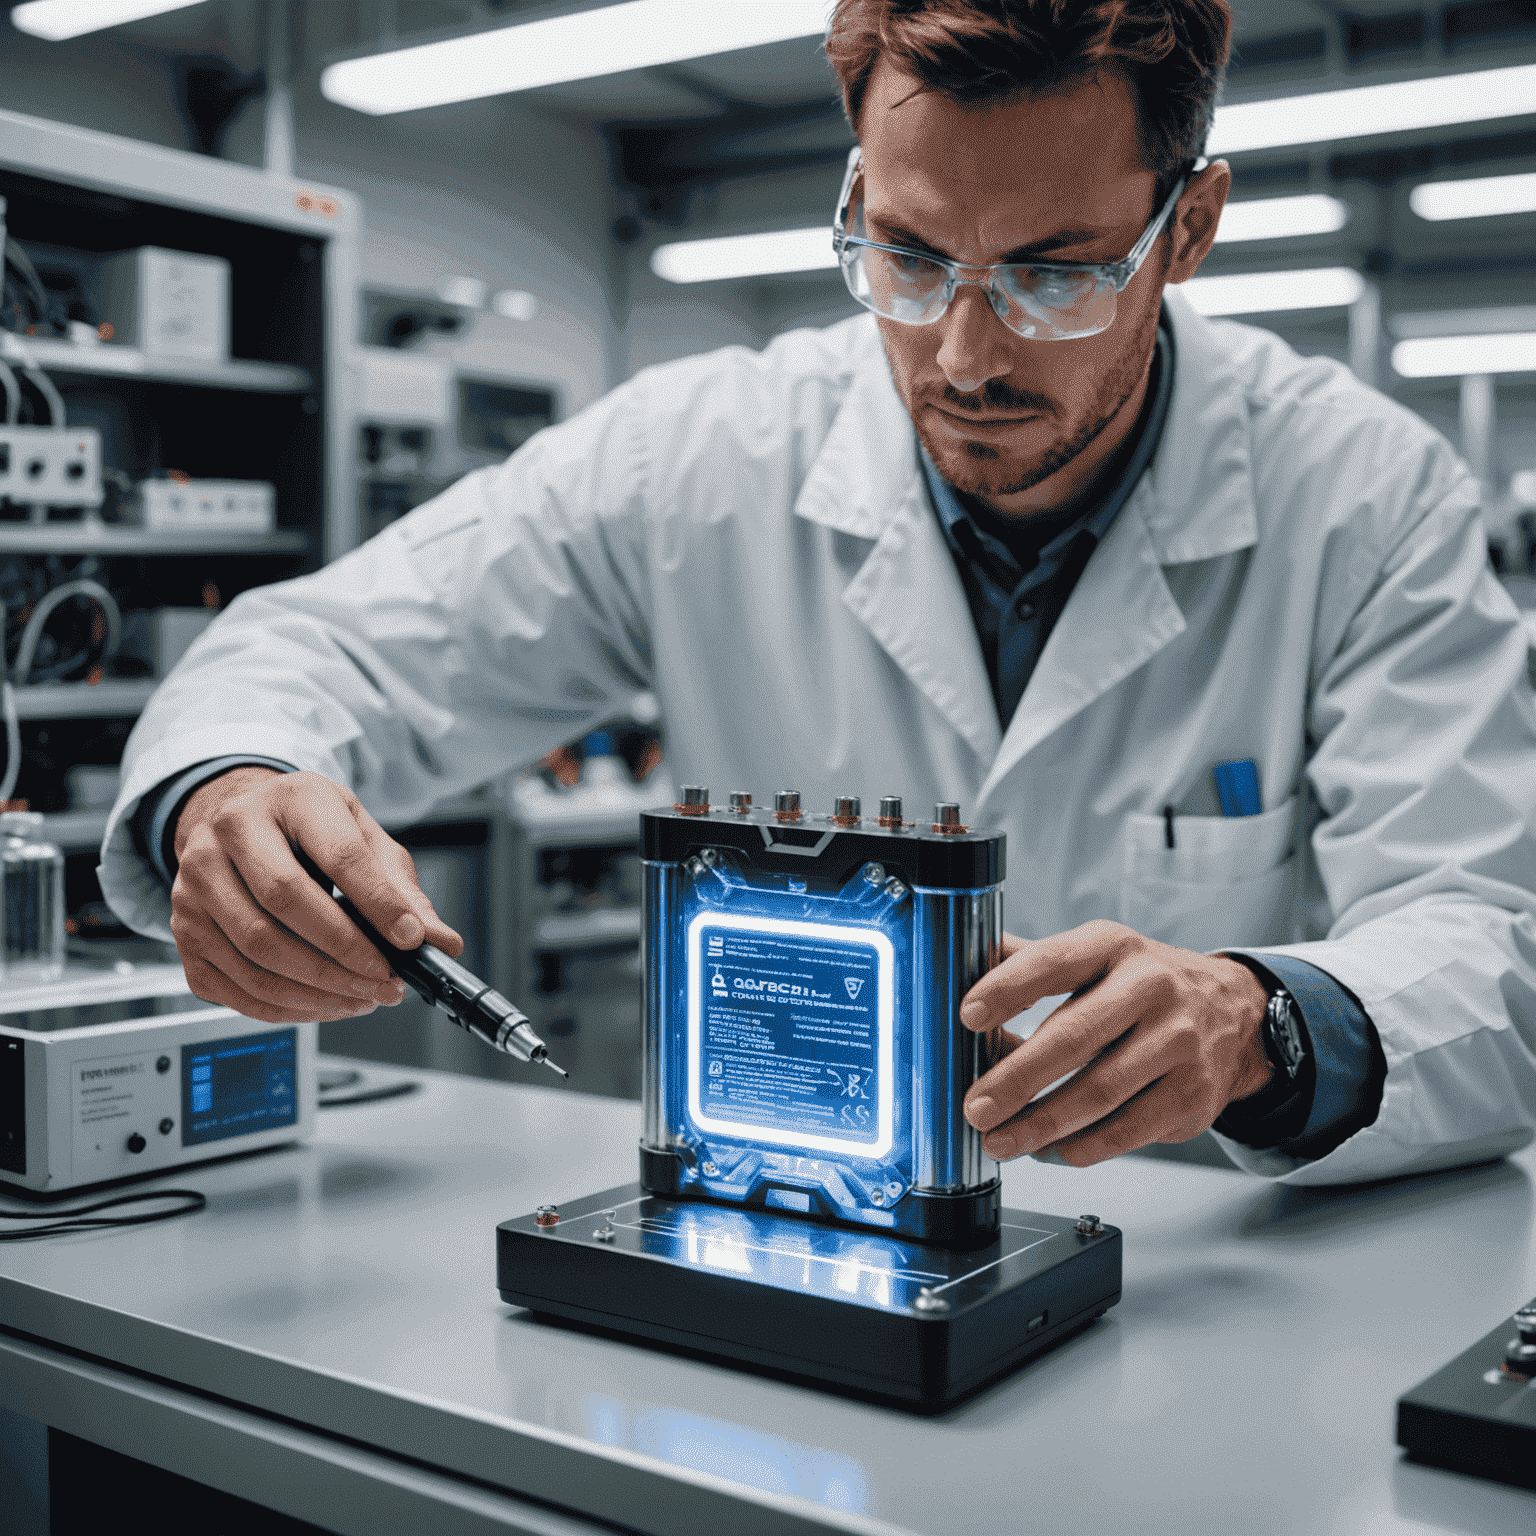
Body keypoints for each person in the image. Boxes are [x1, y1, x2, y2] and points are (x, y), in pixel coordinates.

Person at [101, 0, 1536, 1186]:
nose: (966, 352)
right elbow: (319, 649)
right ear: (855, 191)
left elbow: (1492, 947)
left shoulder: (1364, 498)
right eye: (910, 257)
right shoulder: (694, 456)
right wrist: (228, 795)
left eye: (1056, 275)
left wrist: (1261, 1024)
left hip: (1207, 1293)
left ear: (1191, 224)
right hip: (788, 1240)